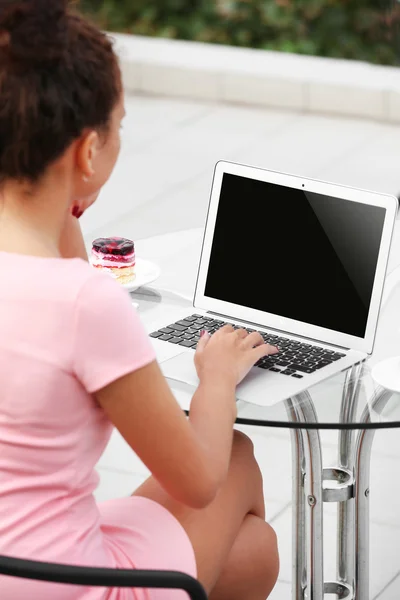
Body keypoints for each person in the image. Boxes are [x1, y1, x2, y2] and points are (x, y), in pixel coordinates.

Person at [0, 1, 280, 599]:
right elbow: (198, 481)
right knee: (234, 456)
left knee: (253, 553)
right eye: (118, 126)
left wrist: (64, 202)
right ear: (88, 150)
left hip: (13, 568)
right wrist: (217, 375)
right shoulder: (84, 303)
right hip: (65, 586)